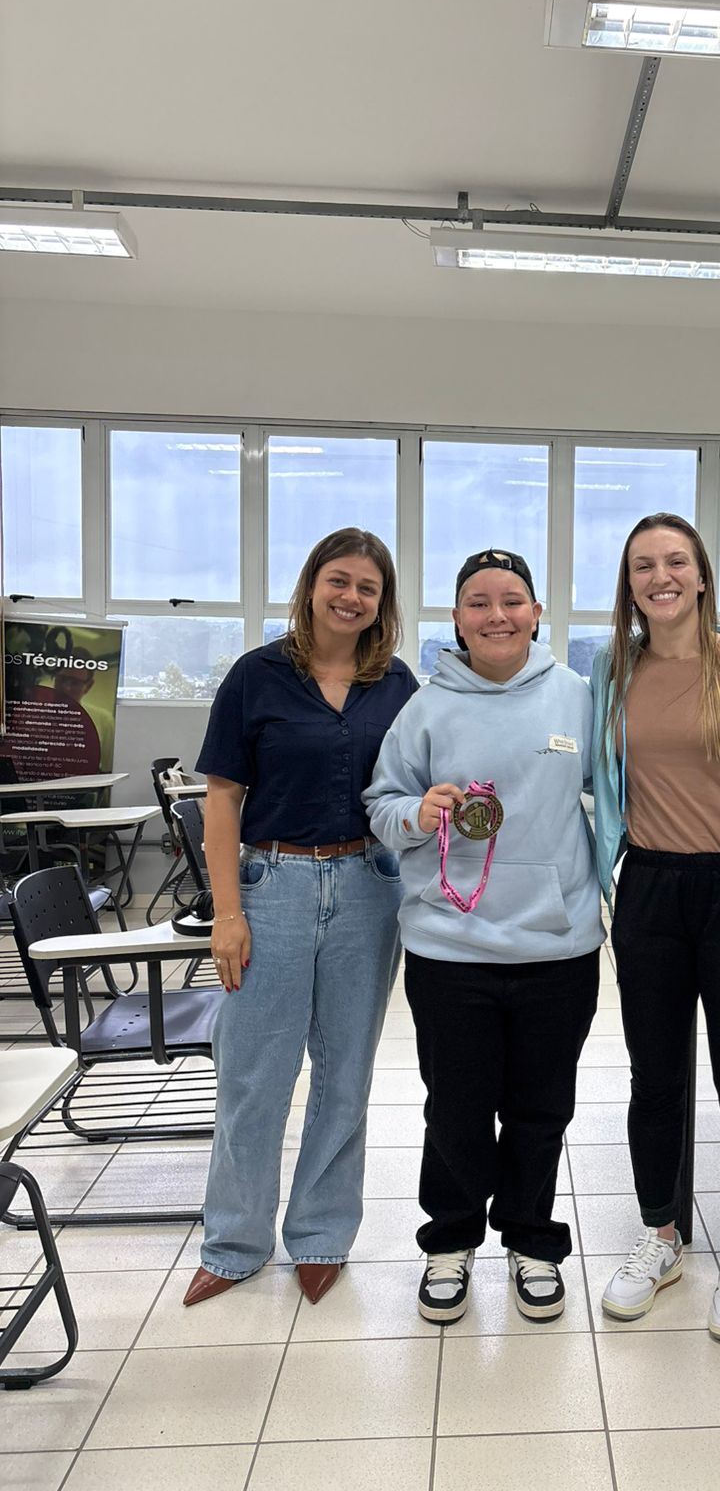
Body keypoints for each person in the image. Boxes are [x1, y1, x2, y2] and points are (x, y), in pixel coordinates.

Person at [364, 548, 603, 1325]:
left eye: (511, 600)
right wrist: (415, 814)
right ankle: (451, 1239)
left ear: (537, 613)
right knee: (456, 1108)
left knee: (542, 1109)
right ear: (457, 619)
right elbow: (381, 803)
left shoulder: (578, 698)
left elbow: (630, 795)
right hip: (450, 950)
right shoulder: (427, 706)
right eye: (477, 602)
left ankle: (533, 1240)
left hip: (557, 948)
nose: (496, 614)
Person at [184, 528, 418, 1309]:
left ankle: (320, 1234)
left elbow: (415, 787)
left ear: (383, 603)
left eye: (368, 588)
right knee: (254, 1075)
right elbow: (221, 797)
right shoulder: (257, 675)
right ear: (312, 584)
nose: (351, 597)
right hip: (271, 883)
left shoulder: (397, 684)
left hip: (366, 887)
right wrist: (227, 912)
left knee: (345, 1074)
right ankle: (234, 1240)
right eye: (338, 580)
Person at [591, 513, 720, 1344]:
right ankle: (662, 1235)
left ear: (703, 575)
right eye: (644, 565)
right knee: (656, 1078)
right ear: (629, 583)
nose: (660, 576)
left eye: (676, 561)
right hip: (651, 889)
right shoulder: (611, 669)